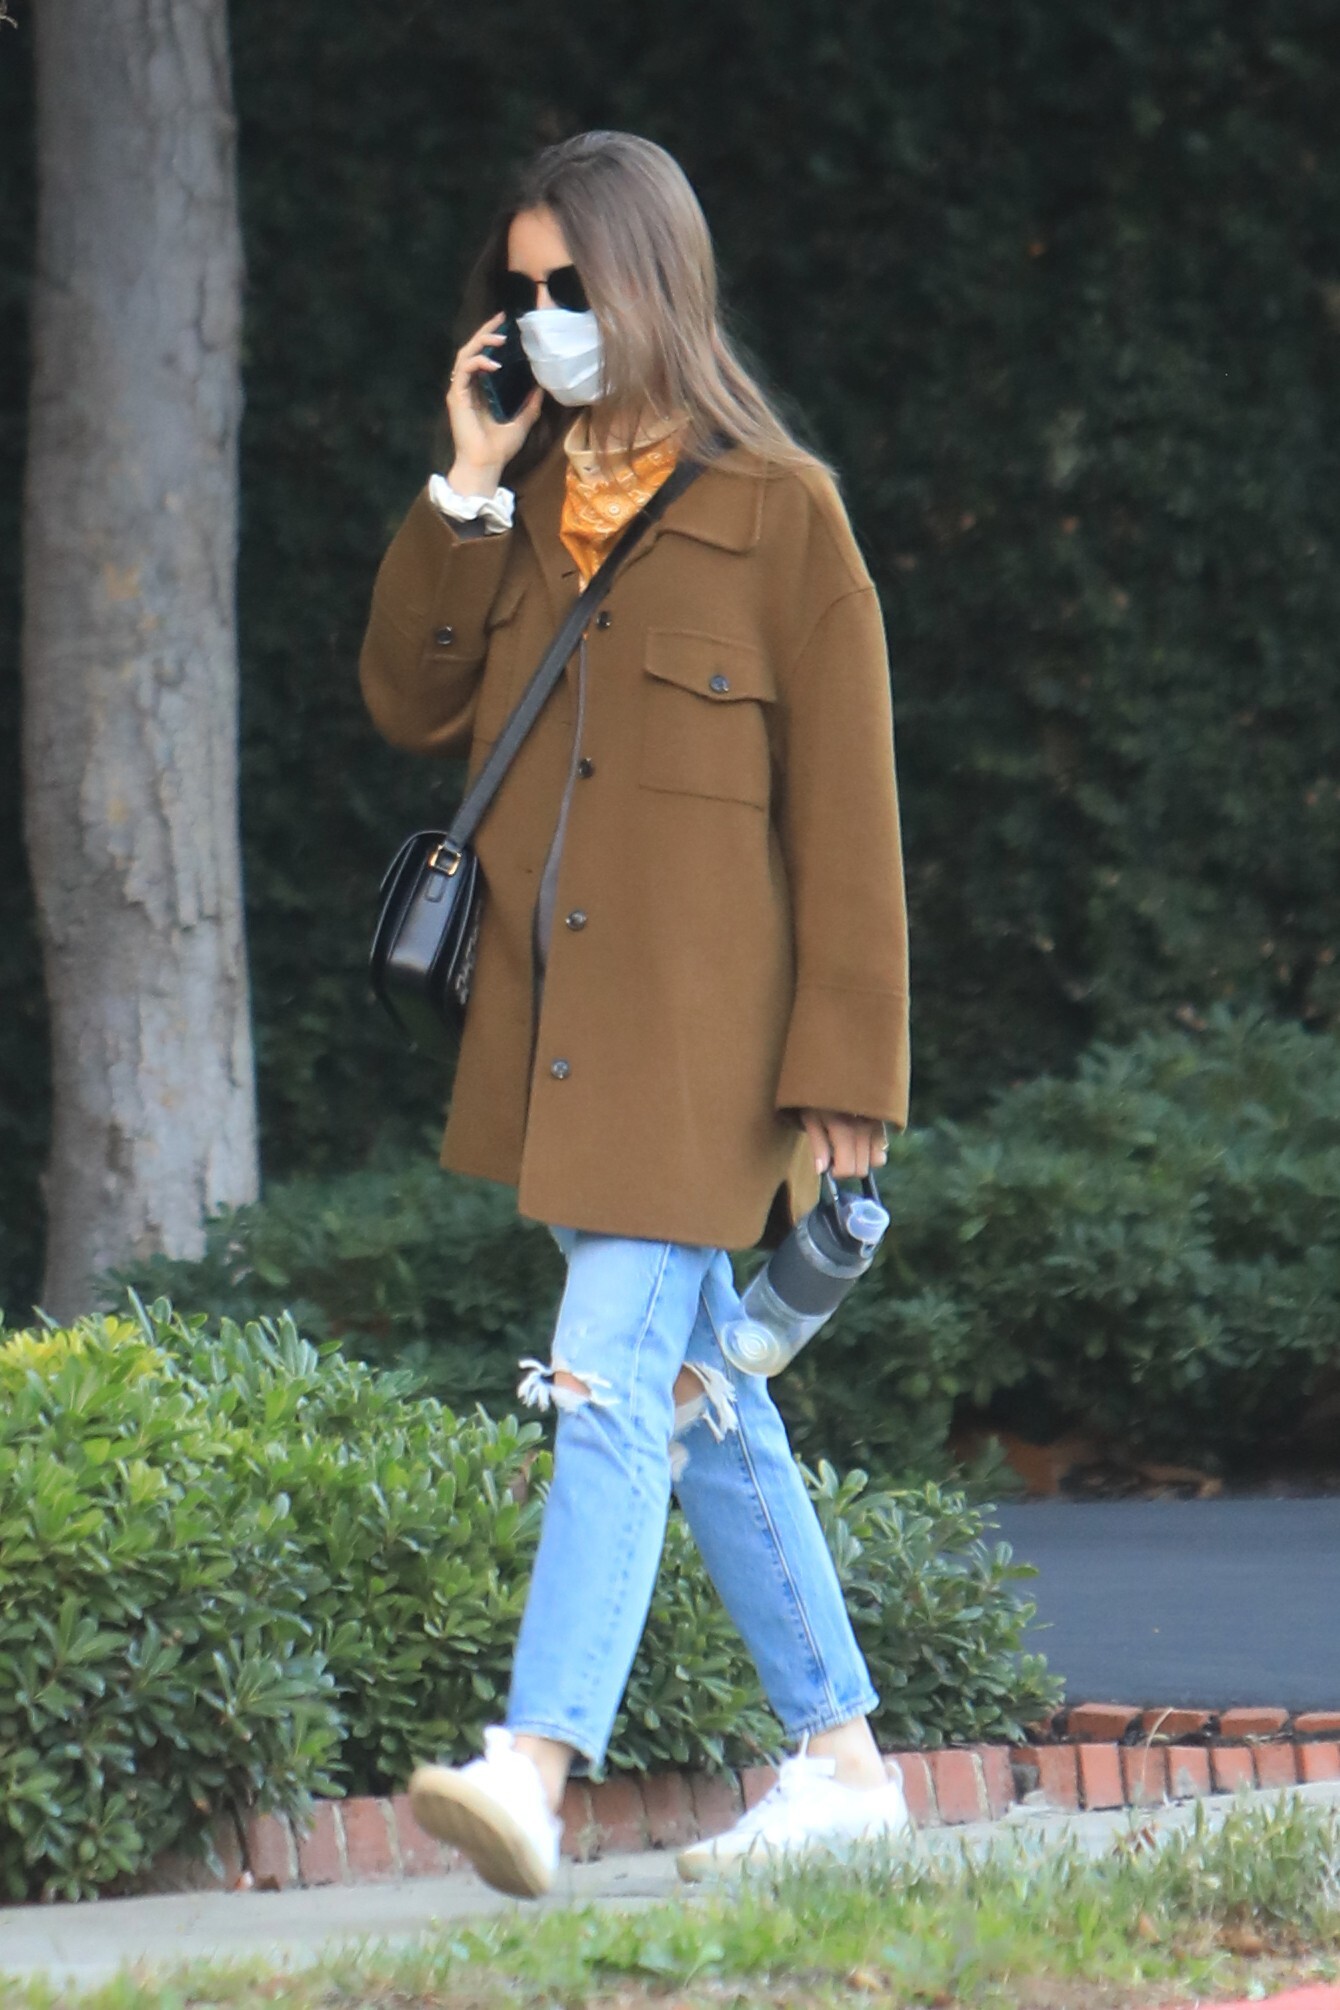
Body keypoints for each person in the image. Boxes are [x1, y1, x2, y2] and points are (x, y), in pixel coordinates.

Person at [358, 130, 912, 1898]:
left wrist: (848, 1069)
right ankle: (842, 1761)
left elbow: (849, 817)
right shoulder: (523, 509)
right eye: (521, 289)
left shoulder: (784, 513)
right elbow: (409, 699)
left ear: (652, 285)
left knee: (604, 1379)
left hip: (715, 1057)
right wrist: (465, 482)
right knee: (693, 1393)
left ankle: (532, 1765)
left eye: (572, 286)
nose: (543, 316)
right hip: (560, 1043)